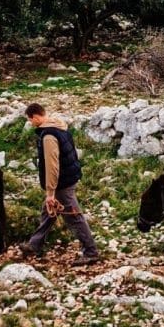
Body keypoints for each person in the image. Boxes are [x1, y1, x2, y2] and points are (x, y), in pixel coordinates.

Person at [18, 103, 100, 266]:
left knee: (73, 216)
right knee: (48, 212)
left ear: (35, 117)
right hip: (69, 177)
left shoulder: (48, 136)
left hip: (61, 183)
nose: (30, 123)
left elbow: (52, 165)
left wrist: (50, 192)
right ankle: (35, 244)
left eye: (30, 120)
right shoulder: (60, 127)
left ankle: (91, 252)